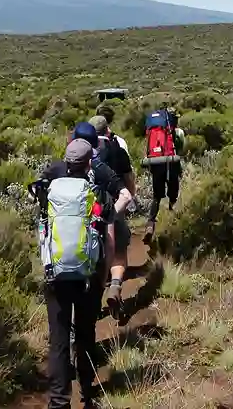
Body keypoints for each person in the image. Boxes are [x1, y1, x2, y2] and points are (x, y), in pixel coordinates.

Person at [33, 138, 116, 409]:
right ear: (89, 163)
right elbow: (108, 240)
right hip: (88, 276)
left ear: (67, 162)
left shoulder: (49, 192)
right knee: (85, 334)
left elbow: (43, 233)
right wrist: (104, 275)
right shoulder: (98, 193)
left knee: (58, 340)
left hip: (55, 275)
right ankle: (87, 394)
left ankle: (59, 401)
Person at [88, 114, 135, 315]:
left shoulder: (82, 153)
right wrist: (130, 198)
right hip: (114, 207)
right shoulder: (118, 150)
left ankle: (92, 303)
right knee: (119, 252)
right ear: (107, 130)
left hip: (88, 212)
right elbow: (129, 180)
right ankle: (115, 287)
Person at [143, 107, 186, 244]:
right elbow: (180, 149)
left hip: (156, 162)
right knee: (173, 194)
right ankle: (173, 224)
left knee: (157, 196)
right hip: (171, 163)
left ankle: (150, 225)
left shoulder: (153, 130)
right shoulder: (177, 132)